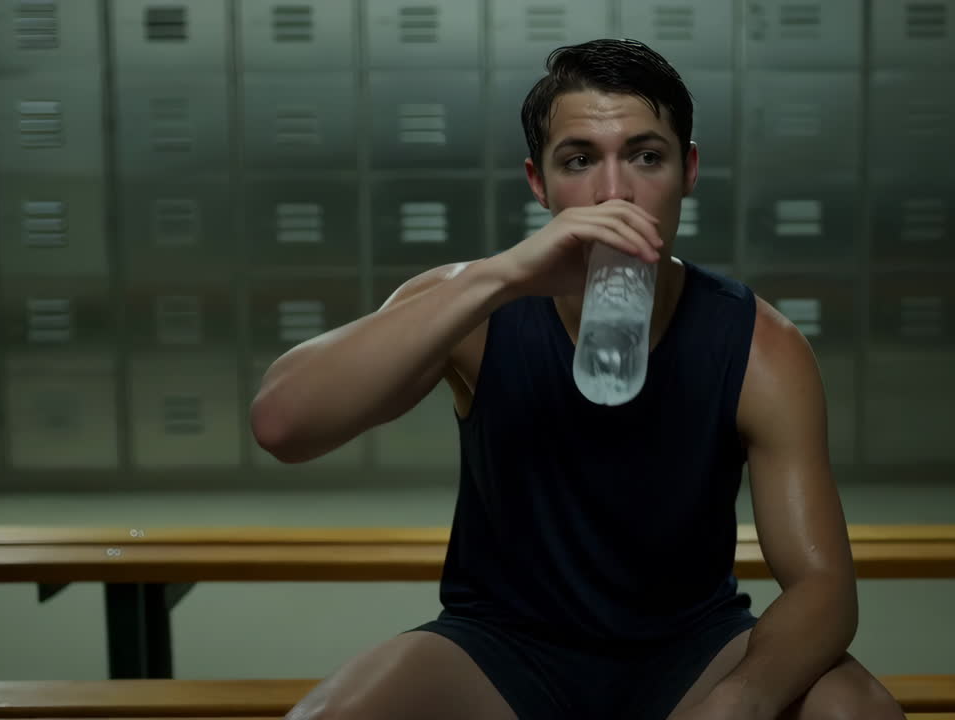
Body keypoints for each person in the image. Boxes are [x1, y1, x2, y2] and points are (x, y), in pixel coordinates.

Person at [251, 38, 904, 720]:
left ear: (689, 171)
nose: (614, 191)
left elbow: (823, 585)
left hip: (694, 649)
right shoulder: (477, 306)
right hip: (500, 649)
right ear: (539, 183)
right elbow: (282, 423)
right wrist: (501, 276)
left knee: (856, 711)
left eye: (647, 156)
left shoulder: (760, 346)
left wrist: (741, 699)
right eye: (579, 160)